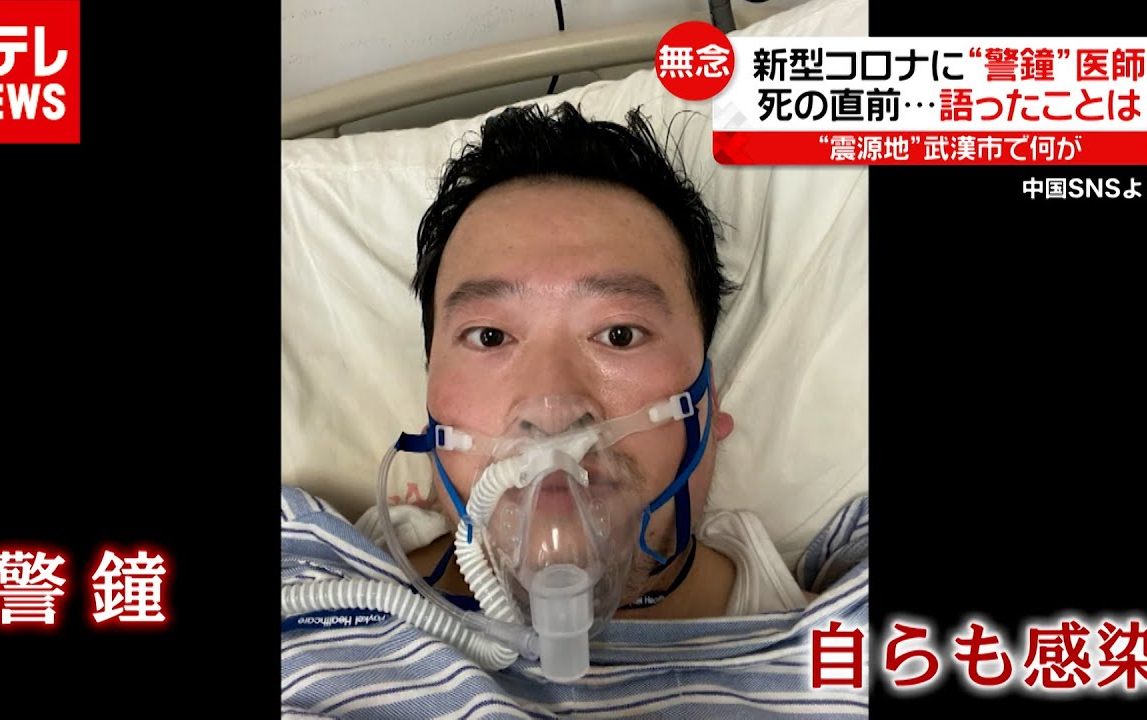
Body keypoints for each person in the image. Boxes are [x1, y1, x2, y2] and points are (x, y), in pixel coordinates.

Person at [280, 101, 869, 717]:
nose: (553, 410)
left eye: (619, 333)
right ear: (431, 404)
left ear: (708, 401)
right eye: (490, 336)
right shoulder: (307, 570)